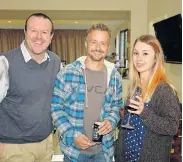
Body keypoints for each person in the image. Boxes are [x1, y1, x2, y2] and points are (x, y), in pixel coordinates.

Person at [51, 23, 123, 162]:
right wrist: (72, 135)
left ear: (108, 47)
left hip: (103, 150)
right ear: (86, 43)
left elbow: (117, 106)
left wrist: (111, 121)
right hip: (74, 151)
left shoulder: (115, 77)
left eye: (103, 43)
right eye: (94, 42)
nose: (98, 47)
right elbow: (56, 108)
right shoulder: (67, 73)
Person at [0, 13, 61, 162]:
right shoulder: (5, 62)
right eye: (33, 30)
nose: (38, 37)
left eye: (44, 32)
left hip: (46, 143)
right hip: (14, 147)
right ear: (25, 32)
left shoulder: (55, 61)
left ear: (51, 36)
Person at [120, 34, 180, 162]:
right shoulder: (135, 87)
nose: (139, 58)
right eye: (136, 53)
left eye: (145, 53)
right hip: (127, 157)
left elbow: (172, 127)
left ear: (155, 58)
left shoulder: (164, 90)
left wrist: (144, 113)